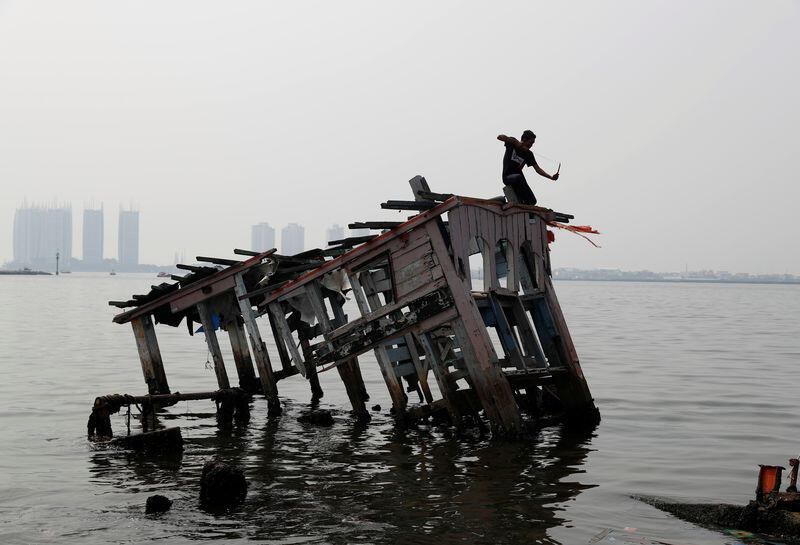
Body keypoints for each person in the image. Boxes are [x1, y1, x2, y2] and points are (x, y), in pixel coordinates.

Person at [497, 129, 559, 206]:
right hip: (507, 177)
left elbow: (538, 169)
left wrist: (551, 177)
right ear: (524, 140)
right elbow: (499, 137)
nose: (531, 145)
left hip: (519, 180)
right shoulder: (512, 142)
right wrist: (517, 143)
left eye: (533, 143)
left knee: (533, 201)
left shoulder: (528, 154)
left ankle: (525, 208)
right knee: (518, 177)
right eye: (531, 143)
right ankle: (521, 201)